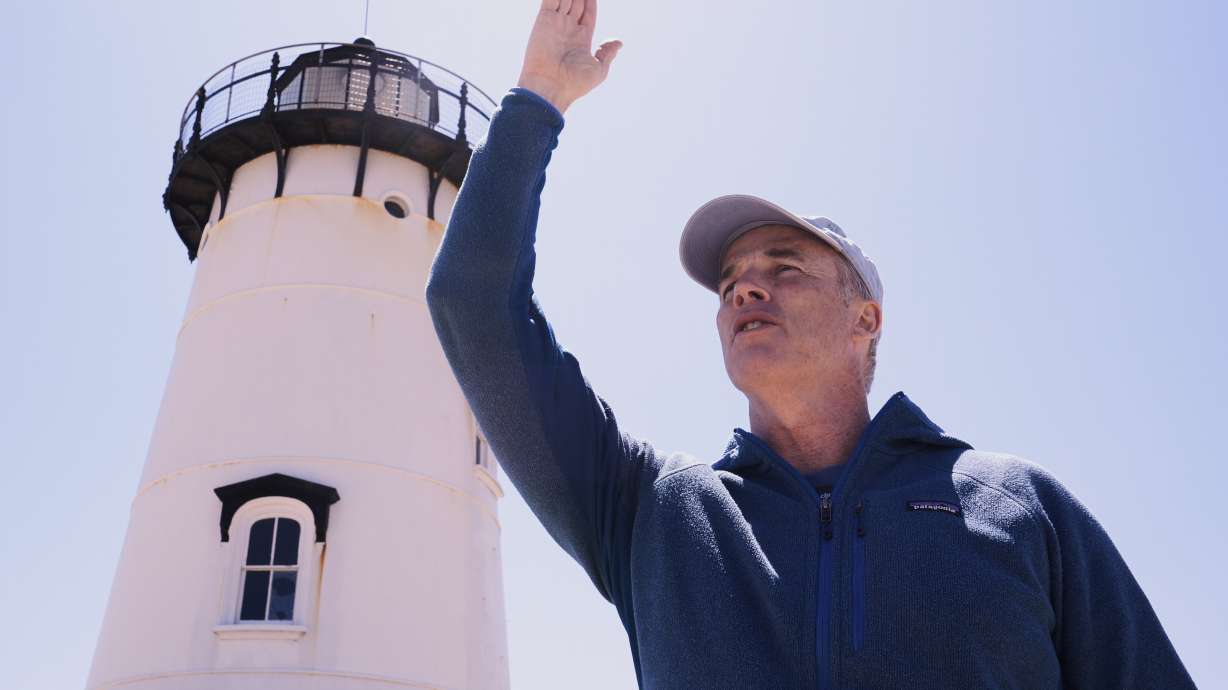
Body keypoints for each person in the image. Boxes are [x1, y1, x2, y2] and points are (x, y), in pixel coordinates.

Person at [425, 1, 1196, 687]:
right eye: (729, 280)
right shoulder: (652, 514)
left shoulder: (1019, 506)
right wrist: (536, 100)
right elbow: (473, 306)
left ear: (867, 320)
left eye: (783, 268)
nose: (744, 289)